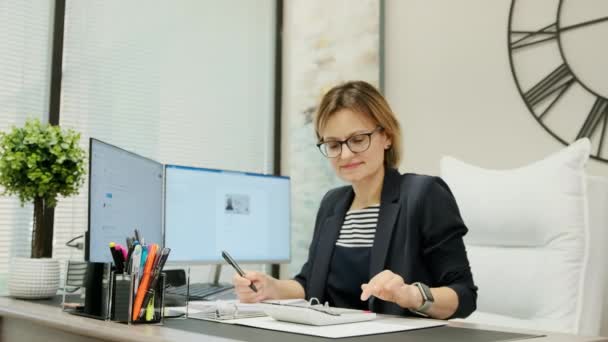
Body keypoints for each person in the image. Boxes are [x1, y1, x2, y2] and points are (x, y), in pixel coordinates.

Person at [233, 81, 477, 319]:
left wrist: (412, 295)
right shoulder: (332, 203)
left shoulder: (424, 194)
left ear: (387, 137)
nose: (346, 154)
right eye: (333, 144)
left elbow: (464, 295)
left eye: (358, 139)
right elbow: (311, 283)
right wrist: (272, 287)